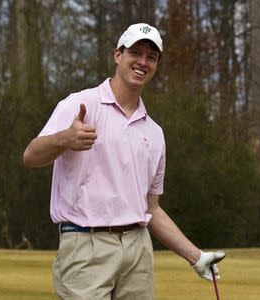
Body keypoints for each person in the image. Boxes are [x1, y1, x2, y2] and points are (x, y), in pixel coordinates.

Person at [23, 23, 225, 300]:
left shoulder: (154, 133)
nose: (143, 62)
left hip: (138, 250)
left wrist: (196, 256)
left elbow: (151, 208)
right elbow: (31, 156)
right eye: (136, 52)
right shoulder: (81, 104)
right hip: (85, 244)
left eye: (151, 57)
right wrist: (65, 139)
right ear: (118, 55)